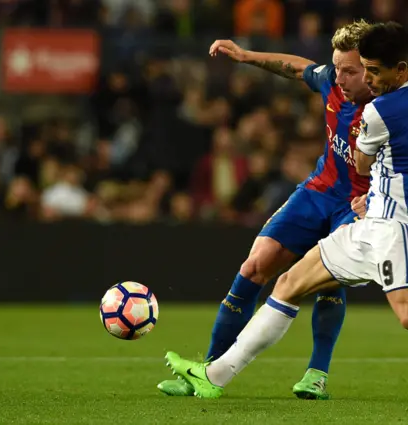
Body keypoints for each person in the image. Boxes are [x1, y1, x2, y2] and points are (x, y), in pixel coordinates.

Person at [163, 22, 408, 404]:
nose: (363, 77)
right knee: (287, 286)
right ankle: (214, 375)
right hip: (366, 220)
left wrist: (375, 180)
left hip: (399, 227)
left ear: (398, 69)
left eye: (370, 71)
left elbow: (363, 167)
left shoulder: (378, 111)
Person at [157, 21, 375, 400]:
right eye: (336, 67)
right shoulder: (332, 81)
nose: (338, 76)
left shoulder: (392, 108)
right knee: (253, 267)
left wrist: (378, 199)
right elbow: (295, 67)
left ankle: (317, 373)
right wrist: (245, 55)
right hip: (317, 192)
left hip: (358, 204)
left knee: (328, 279)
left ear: (372, 69)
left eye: (350, 70)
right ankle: (207, 370)